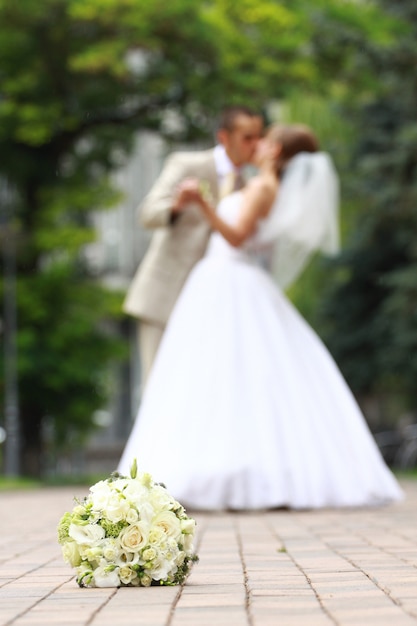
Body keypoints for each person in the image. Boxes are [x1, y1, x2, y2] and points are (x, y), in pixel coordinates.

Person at [118, 123, 403, 510]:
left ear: (278, 153)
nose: (260, 144)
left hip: (228, 277)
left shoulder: (264, 187)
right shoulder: (262, 185)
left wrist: (202, 206)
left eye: (268, 140)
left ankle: (227, 475)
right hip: (220, 279)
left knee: (228, 375)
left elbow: (236, 236)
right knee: (217, 376)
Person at [123, 105, 264, 382]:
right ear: (224, 138)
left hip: (212, 306)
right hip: (165, 297)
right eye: (247, 137)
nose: (255, 145)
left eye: (258, 137)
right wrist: (177, 206)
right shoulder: (188, 165)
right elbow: (147, 214)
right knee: (158, 386)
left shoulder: (252, 187)